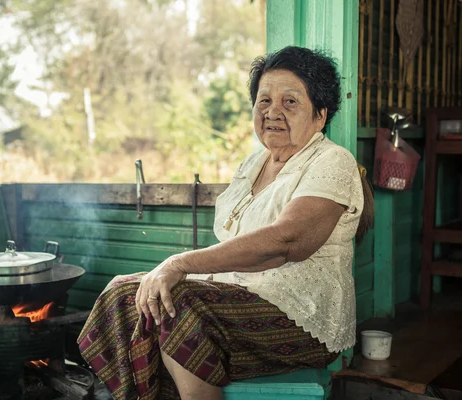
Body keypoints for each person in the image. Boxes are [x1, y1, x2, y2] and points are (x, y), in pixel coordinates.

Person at [77, 46, 374, 400]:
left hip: (301, 319)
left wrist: (178, 264)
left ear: (320, 115)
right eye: (264, 101)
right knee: (124, 293)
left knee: (179, 303)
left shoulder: (332, 161)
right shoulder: (252, 164)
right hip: (235, 300)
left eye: (289, 102)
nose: (272, 112)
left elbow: (287, 242)